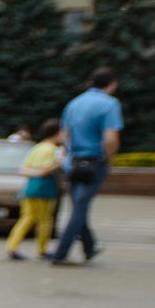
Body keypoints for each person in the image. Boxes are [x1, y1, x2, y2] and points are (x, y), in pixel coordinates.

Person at [47, 67, 123, 266]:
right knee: (80, 209)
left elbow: (65, 135)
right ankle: (60, 253)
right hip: (93, 162)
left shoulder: (74, 103)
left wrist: (68, 155)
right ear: (112, 84)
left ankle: (89, 247)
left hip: (72, 162)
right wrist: (110, 159)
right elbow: (110, 138)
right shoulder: (110, 104)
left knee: (78, 206)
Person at [5, 119, 63, 260]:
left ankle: (11, 247)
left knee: (27, 218)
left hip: (30, 187)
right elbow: (45, 170)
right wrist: (59, 164)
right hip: (45, 188)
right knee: (45, 220)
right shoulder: (52, 150)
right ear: (57, 133)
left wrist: (34, 174)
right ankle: (42, 250)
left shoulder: (36, 148)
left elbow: (23, 169)